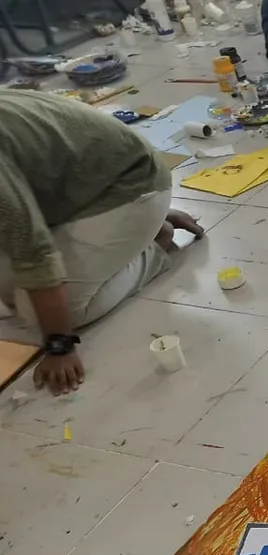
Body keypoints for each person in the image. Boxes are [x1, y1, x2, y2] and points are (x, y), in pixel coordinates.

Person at [0, 92, 203, 396]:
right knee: (10, 290)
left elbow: (35, 254)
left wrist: (59, 346)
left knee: (47, 312)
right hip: (73, 189)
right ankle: (135, 227)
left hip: (127, 185)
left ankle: (153, 243)